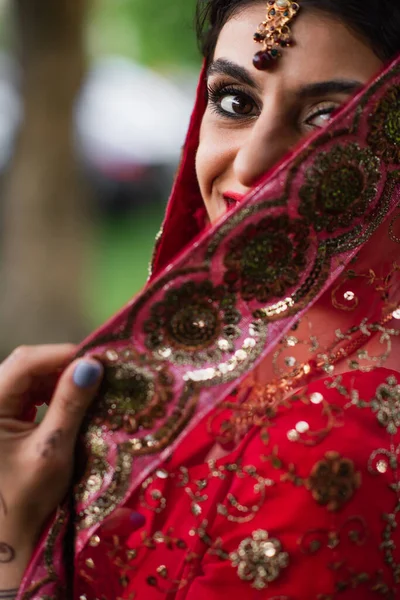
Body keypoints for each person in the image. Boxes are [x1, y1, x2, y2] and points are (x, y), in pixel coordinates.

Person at [1, 0, 400, 598]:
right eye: (235, 102)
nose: (251, 162)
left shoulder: (358, 438)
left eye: (326, 121)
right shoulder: (174, 374)